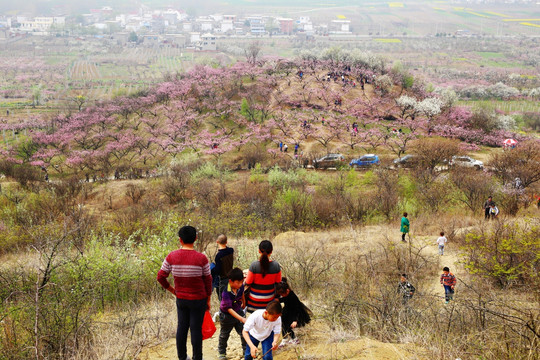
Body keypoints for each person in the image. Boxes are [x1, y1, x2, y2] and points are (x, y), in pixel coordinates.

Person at [157, 226, 212, 360]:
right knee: (195, 329)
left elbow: (160, 276)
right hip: (198, 300)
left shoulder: (172, 256)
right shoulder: (202, 258)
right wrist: (208, 299)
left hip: (181, 299)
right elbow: (208, 280)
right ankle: (197, 357)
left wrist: (172, 290)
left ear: (180, 240)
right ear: (196, 239)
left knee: (182, 327)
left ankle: (182, 357)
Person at [218, 268, 247, 360]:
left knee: (244, 331)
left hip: (238, 310)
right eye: (237, 282)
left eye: (241, 282)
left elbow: (242, 292)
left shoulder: (240, 286)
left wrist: (243, 301)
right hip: (226, 315)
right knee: (224, 334)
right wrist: (241, 318)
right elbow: (229, 309)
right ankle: (222, 353)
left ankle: (246, 351)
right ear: (230, 281)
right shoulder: (226, 291)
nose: (240, 285)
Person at [245, 240, 282, 313]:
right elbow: (278, 282)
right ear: (271, 252)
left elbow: (248, 282)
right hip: (269, 304)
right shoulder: (276, 266)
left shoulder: (254, 265)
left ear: (259, 251)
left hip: (253, 304)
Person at [275, 278, 312, 345]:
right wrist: (279, 300)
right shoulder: (285, 294)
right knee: (283, 324)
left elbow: (297, 308)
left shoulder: (292, 296)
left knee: (289, 325)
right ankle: (285, 338)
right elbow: (285, 299)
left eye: (283, 294)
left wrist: (295, 320)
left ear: (287, 290)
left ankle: (294, 339)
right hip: (287, 310)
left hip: (295, 313)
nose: (282, 295)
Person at [212, 234, 234, 301]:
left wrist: (212, 270)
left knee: (222, 299)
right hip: (230, 278)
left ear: (217, 242)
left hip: (223, 280)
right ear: (226, 242)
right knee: (229, 295)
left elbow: (218, 270)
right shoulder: (231, 251)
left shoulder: (219, 256)